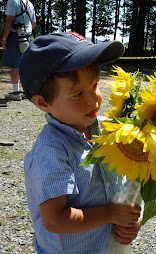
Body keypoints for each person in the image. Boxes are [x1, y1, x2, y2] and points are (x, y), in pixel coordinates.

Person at [19, 32, 142, 254]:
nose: (93, 99)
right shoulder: (52, 151)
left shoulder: (107, 129)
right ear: (42, 102)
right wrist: (111, 214)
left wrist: (131, 220)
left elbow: (126, 184)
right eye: (77, 94)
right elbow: (55, 220)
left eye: (95, 85)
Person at [1, 0, 36, 101]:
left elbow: (9, 20)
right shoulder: (29, 3)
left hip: (14, 36)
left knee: (14, 66)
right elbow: (33, 24)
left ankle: (16, 93)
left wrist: (4, 38)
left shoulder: (12, 1)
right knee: (25, 65)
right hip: (27, 36)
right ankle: (27, 91)